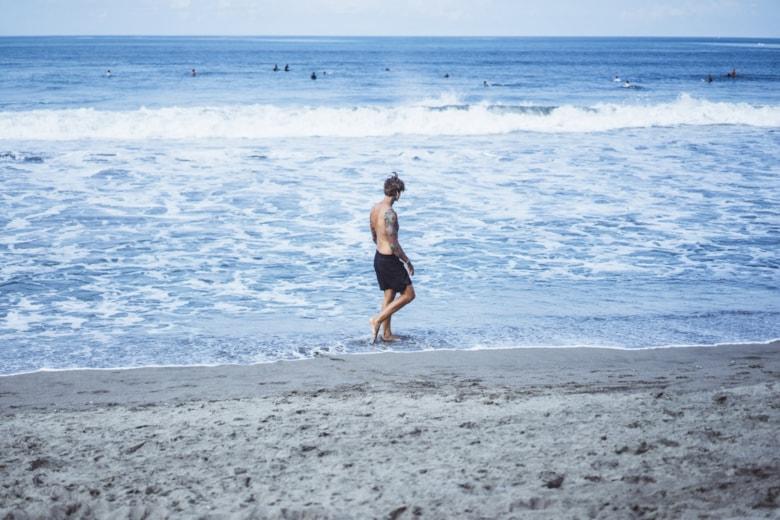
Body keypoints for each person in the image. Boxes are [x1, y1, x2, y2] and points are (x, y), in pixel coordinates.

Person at [369, 173, 415, 343]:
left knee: (389, 296)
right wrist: (406, 260)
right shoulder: (390, 213)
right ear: (397, 193)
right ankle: (377, 319)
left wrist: (381, 247)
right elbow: (393, 243)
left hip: (378, 258)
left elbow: (373, 234)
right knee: (409, 294)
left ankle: (386, 334)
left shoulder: (375, 208)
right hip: (389, 259)